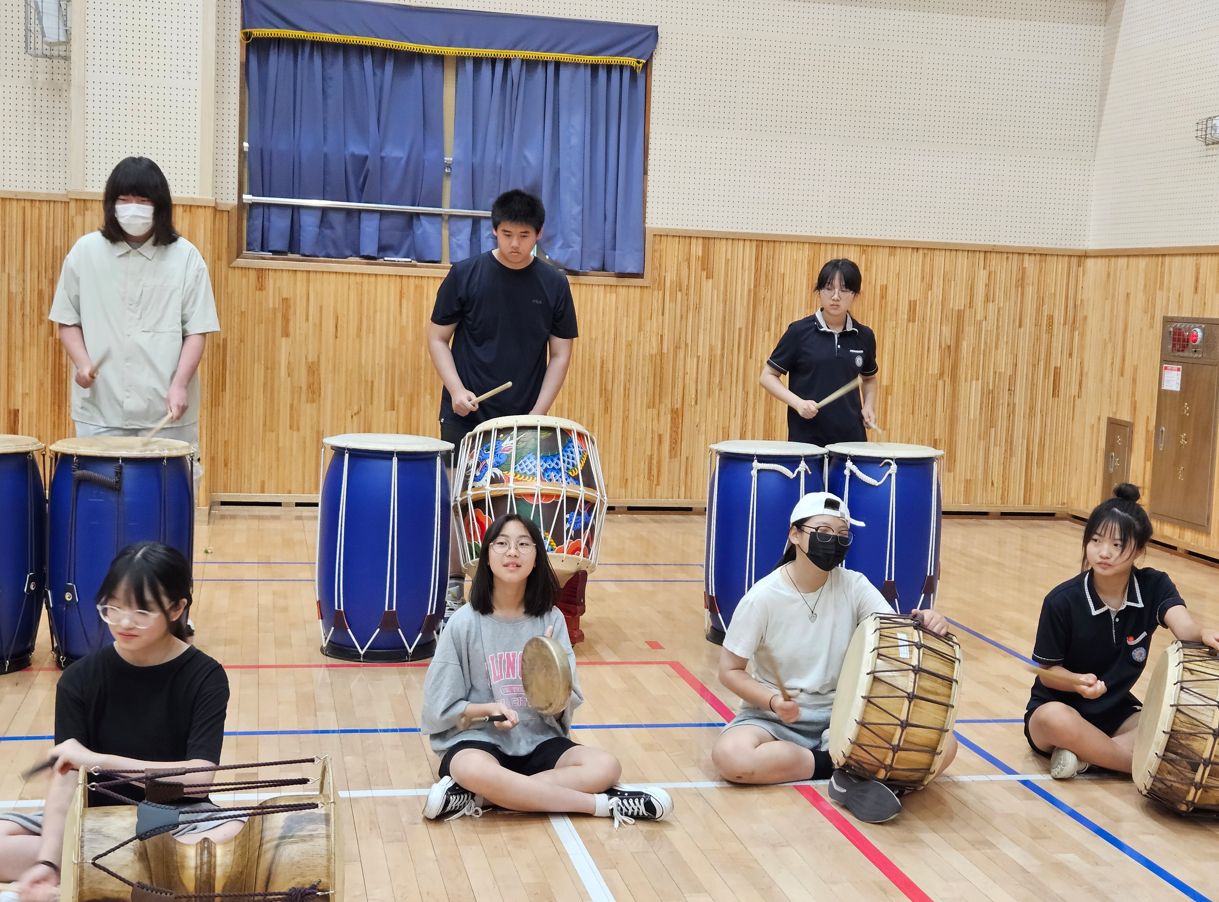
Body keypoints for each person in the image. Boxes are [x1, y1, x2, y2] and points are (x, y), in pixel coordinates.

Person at [0, 543, 233, 900]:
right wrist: (47, 865)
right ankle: (122, 868)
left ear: (177, 608)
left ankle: (93, 866)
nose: (124, 622)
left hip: (173, 819)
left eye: (141, 611)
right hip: (93, 817)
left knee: (229, 834)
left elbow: (198, 782)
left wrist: (97, 761)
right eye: (113, 607)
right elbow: (66, 784)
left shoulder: (206, 676)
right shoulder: (79, 679)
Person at [710, 492, 957, 824]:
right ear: (794, 534)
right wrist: (771, 702)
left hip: (847, 713)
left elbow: (897, 630)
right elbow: (730, 670)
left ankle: (851, 771)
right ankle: (842, 770)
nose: (834, 542)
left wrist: (927, 620)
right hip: (777, 719)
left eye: (842, 536)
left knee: (946, 745)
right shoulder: (762, 598)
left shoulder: (853, 586)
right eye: (824, 532)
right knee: (731, 757)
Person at [420, 513, 671, 827]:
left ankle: (482, 796)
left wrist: (548, 681)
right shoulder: (464, 623)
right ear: (486, 557)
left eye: (524, 544)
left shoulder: (551, 620)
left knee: (606, 766)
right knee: (473, 770)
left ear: (537, 558)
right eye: (502, 544)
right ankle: (603, 805)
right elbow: (439, 709)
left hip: (539, 740)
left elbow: (563, 706)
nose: (512, 552)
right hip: (479, 741)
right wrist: (489, 710)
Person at [426, 190, 579, 618]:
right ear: (494, 230)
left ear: (539, 235)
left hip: (522, 421)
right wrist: (456, 390)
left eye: (524, 235)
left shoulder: (554, 283)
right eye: (506, 234)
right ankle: (455, 590)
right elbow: (438, 338)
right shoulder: (466, 273)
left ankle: (508, 598)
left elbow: (561, 354)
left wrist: (539, 412)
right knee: (460, 501)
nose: (514, 244)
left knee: (513, 509)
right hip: (466, 412)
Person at [49, 157, 219, 499]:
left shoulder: (186, 257)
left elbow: (196, 330)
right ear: (111, 205)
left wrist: (180, 385)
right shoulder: (85, 252)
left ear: (161, 207)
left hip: (165, 415)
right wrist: (82, 364)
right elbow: (67, 318)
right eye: (124, 200)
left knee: (164, 510)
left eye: (143, 201)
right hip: (100, 411)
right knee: (99, 509)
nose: (133, 209)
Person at [1026, 484, 1219, 779]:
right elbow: (1047, 672)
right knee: (1055, 719)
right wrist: (1077, 682)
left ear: (1140, 549)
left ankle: (1086, 758)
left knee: (1172, 727)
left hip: (1117, 712)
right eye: (1095, 540)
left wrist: (1203, 632)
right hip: (1059, 710)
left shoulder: (1154, 586)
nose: (1104, 552)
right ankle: (1140, 765)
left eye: (1117, 545)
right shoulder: (1061, 601)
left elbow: (1185, 628)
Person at [760, 259, 878, 446]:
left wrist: (869, 406)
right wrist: (798, 403)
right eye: (829, 288)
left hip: (851, 442)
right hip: (807, 442)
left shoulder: (864, 335)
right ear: (819, 291)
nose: (836, 296)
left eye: (844, 289)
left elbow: (869, 378)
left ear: (855, 294)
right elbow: (767, 376)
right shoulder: (799, 332)